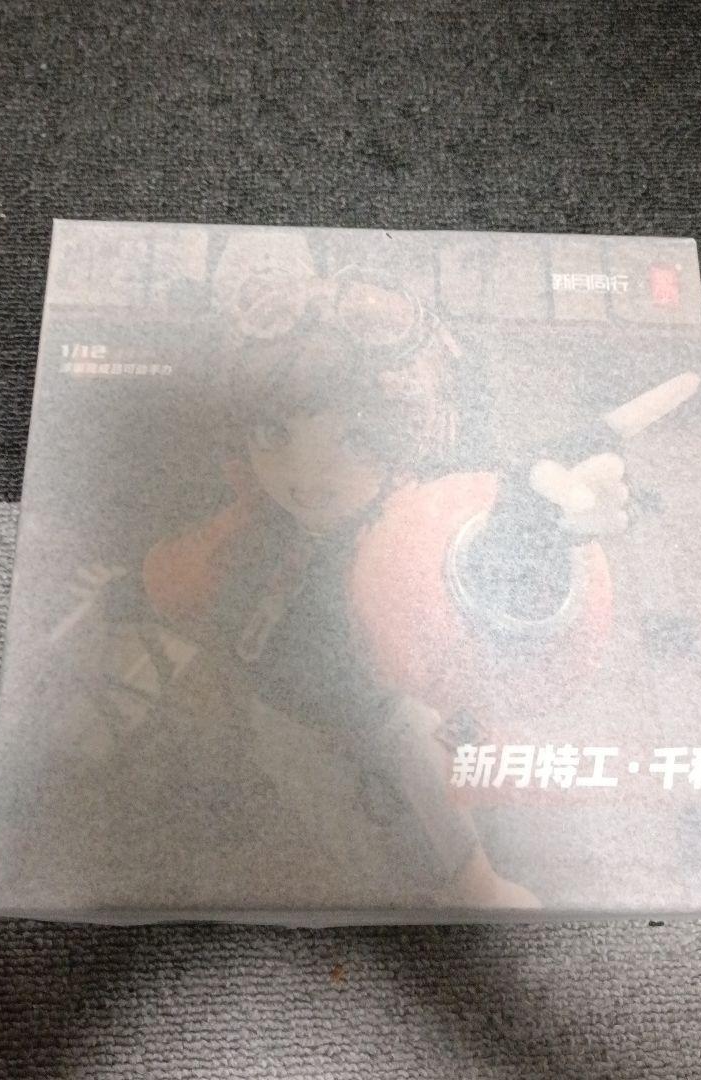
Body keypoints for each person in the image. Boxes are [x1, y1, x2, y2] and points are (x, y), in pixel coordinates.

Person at [142, 273, 628, 908]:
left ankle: (469, 880)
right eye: (274, 435)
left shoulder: (408, 525)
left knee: (412, 774)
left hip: (372, 719)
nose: (307, 477)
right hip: (284, 716)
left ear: (404, 437)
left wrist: (533, 526)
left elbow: (472, 553)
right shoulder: (255, 513)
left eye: (357, 439)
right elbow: (192, 585)